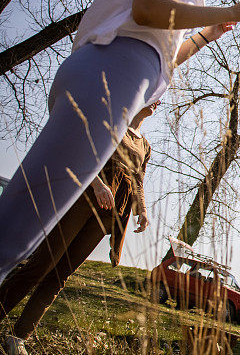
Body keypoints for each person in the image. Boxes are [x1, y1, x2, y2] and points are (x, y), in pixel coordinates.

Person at [0, 0, 240, 283]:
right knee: (20, 227)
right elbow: (149, 7)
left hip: (104, 71)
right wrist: (233, 10)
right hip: (112, 74)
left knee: (27, 220)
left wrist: (207, 36)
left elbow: (157, 50)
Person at [1, 101, 160, 355]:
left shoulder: (146, 145)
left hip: (110, 213)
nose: (156, 102)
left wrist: (141, 210)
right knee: (43, 263)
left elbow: (138, 179)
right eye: (154, 96)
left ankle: (19, 336)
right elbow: (84, 153)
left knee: (61, 273)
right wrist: (97, 184)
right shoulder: (114, 122)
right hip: (85, 198)